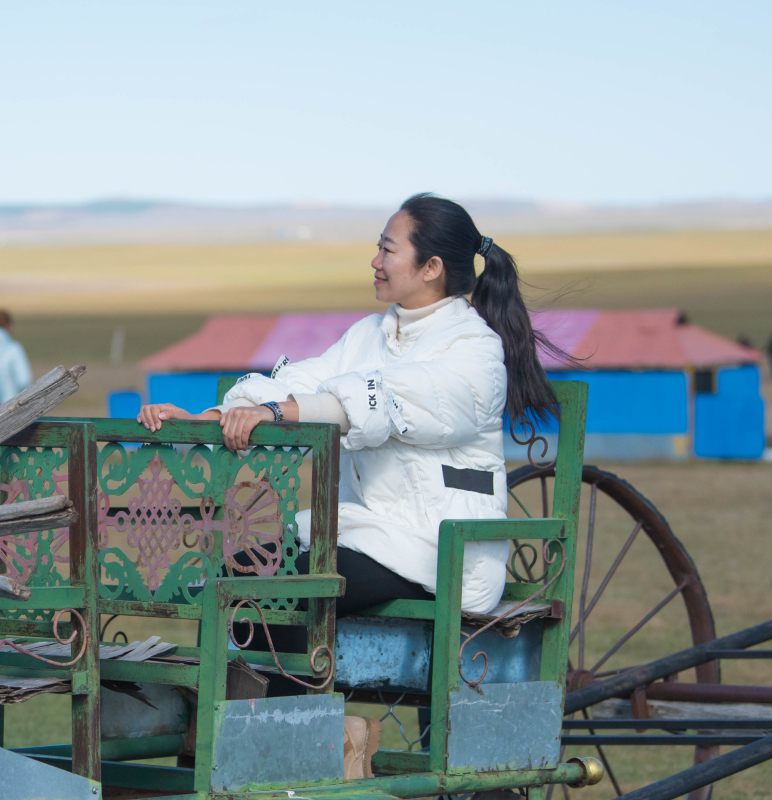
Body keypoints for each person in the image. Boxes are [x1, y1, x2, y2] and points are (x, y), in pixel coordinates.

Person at [137, 193, 557, 619]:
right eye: (378, 247)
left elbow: (386, 400)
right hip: (366, 534)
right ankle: (275, 683)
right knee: (237, 572)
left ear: (431, 268)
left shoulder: (473, 349)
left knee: (269, 590)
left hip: (440, 552)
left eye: (388, 250)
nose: (375, 261)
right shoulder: (368, 335)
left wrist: (277, 413)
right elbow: (299, 381)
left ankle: (290, 684)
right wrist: (214, 417)